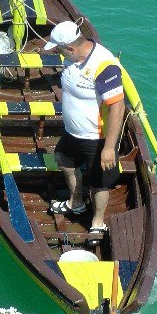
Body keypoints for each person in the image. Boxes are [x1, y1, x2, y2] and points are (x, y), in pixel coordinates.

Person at [43, 20, 126, 245]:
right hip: (72, 132)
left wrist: (109, 148)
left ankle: (97, 223)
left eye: (59, 49)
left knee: (99, 182)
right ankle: (75, 202)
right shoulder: (71, 57)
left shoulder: (104, 66)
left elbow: (117, 106)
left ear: (70, 48)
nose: (57, 53)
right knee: (64, 160)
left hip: (96, 138)